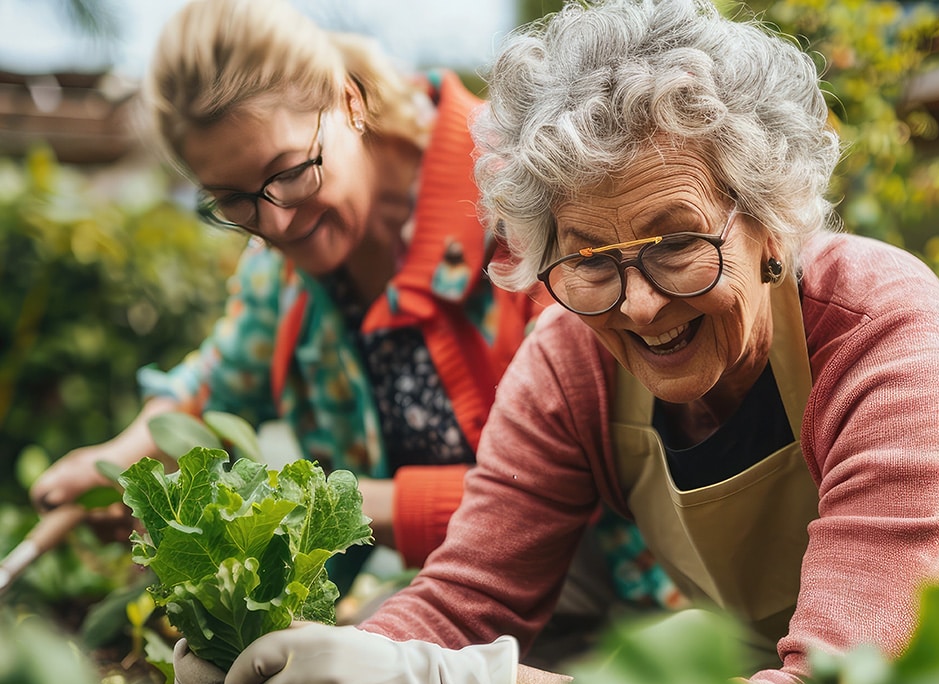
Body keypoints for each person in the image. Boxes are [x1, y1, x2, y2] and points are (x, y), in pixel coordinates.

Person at [172, 0, 939, 684]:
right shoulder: (568, 364)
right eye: (588, 259)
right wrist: (293, 664)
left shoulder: (880, 333)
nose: (639, 305)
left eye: (678, 244)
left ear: (770, 215)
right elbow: (466, 603)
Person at [26, 0, 551, 593]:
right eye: (232, 200)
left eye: (290, 172)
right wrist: (120, 462)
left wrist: (322, 503)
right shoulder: (281, 274)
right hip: (461, 600)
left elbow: (550, 491)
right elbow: (213, 389)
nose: (273, 226)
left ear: (350, 102)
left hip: (602, 605)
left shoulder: (522, 201)